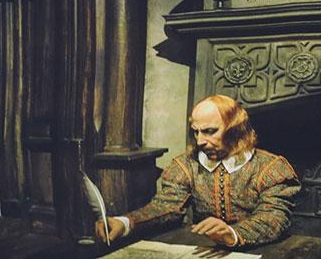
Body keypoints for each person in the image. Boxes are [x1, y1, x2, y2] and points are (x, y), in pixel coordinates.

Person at [95, 95, 300, 248]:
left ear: (235, 129)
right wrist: (125, 223)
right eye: (196, 132)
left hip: (260, 252)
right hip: (205, 251)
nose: (200, 141)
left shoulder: (270, 167)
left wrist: (233, 233)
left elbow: (274, 216)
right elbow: (166, 206)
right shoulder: (186, 165)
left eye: (210, 131)